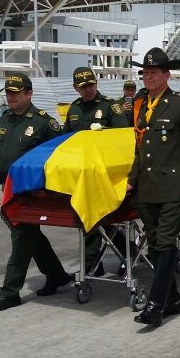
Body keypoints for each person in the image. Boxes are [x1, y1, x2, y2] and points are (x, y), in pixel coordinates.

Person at [0, 72, 69, 312]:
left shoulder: (43, 122)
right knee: (31, 236)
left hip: (32, 193)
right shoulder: (2, 123)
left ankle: (10, 292)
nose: (10, 97)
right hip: (9, 189)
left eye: (15, 93)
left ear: (29, 93)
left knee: (21, 238)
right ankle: (57, 275)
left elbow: (62, 151)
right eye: (8, 93)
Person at [127, 48, 180, 327]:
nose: (148, 77)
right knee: (157, 244)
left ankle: (155, 305)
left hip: (173, 187)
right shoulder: (141, 104)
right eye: (145, 73)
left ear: (166, 75)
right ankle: (172, 299)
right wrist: (132, 180)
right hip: (147, 187)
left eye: (153, 73)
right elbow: (140, 149)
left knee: (167, 241)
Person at [64, 66, 129, 278]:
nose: (88, 90)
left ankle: (92, 263)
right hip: (83, 173)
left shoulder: (111, 107)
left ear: (96, 83)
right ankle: (124, 255)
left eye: (91, 85)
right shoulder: (73, 110)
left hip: (106, 174)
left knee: (96, 217)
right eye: (83, 87)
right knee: (95, 219)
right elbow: (66, 141)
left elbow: (122, 139)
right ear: (75, 88)